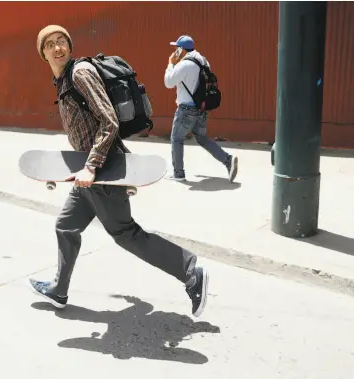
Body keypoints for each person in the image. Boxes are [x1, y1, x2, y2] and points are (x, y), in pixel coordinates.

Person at [28, 25, 209, 318]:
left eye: (62, 41)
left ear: (69, 46)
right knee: (66, 225)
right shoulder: (62, 81)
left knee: (126, 233)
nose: (57, 47)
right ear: (43, 53)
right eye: (50, 44)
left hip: (101, 170)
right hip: (88, 172)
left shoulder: (79, 73)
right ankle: (59, 290)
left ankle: (190, 272)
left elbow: (109, 121)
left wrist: (90, 165)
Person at [164, 35, 238, 182]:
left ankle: (178, 174)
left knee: (177, 139)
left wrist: (170, 63)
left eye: (177, 48)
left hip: (186, 110)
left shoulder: (184, 64)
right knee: (202, 138)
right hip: (201, 109)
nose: (175, 51)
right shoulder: (203, 60)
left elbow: (168, 82)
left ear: (181, 50)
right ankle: (228, 160)